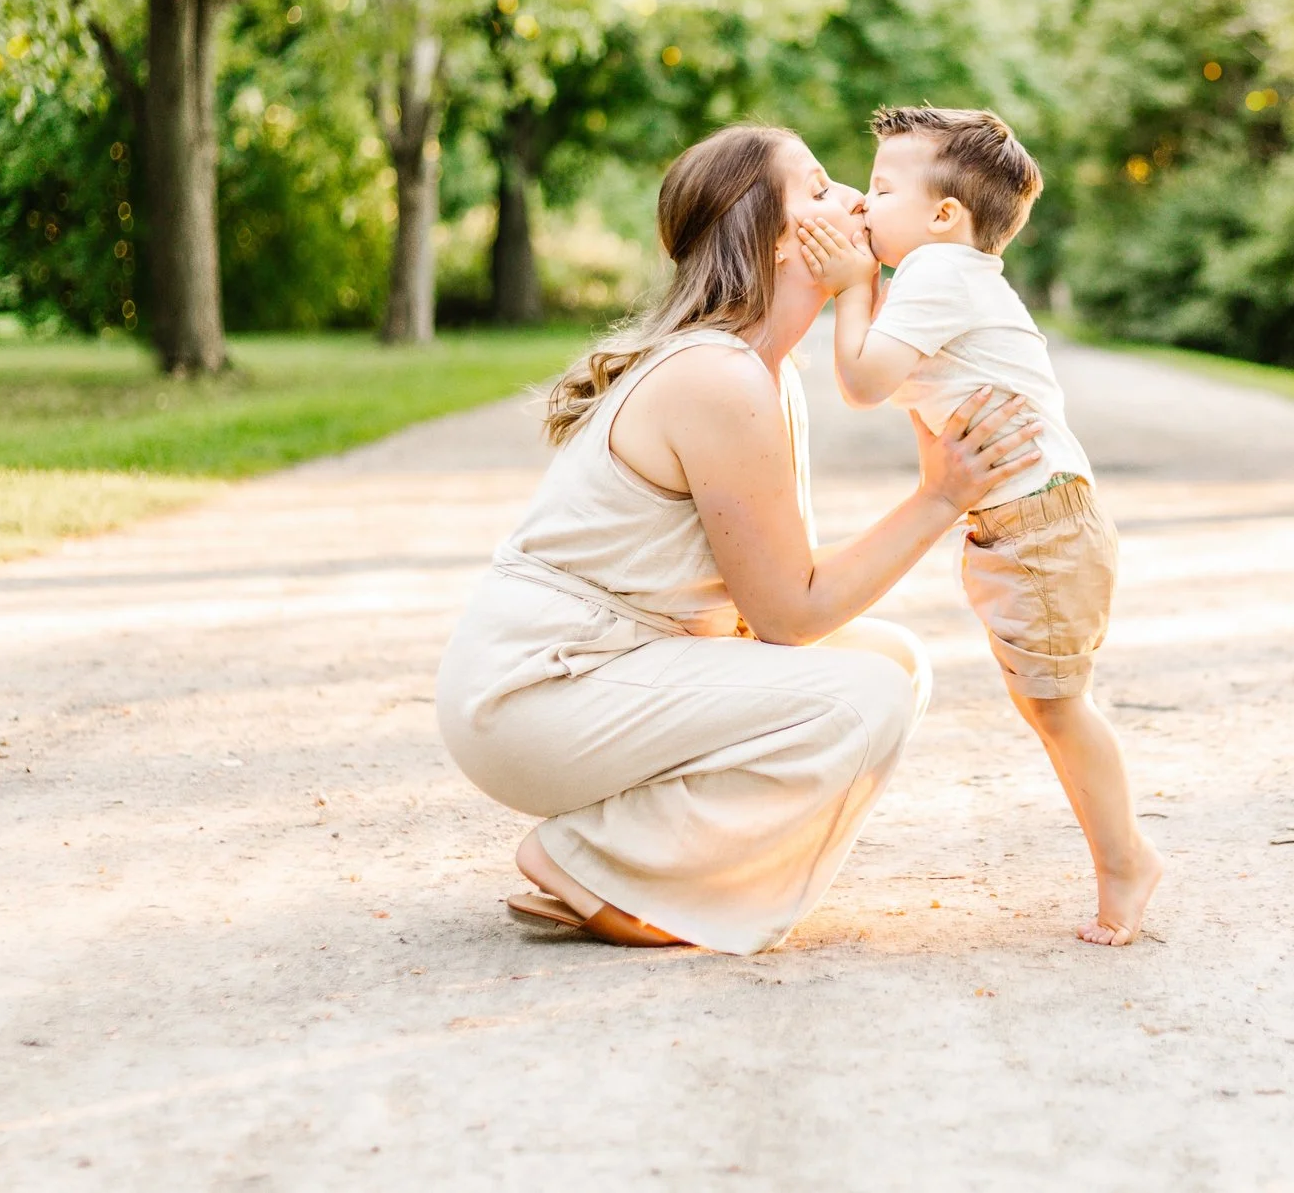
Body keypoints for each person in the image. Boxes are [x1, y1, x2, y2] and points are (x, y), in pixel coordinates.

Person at [436, 123, 1042, 953]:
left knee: (894, 661)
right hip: (536, 694)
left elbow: (784, 598)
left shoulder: (766, 374)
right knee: (858, 697)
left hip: (611, 668)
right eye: (822, 188)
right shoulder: (716, 376)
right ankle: (593, 861)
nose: (857, 201)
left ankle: (648, 867)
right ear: (779, 235)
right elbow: (793, 616)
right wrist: (941, 497)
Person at [796, 106, 1164, 946]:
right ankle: (1123, 856)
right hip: (1030, 523)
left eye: (881, 187)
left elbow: (863, 381)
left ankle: (1127, 860)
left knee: (1061, 707)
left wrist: (855, 285)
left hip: (1039, 526)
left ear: (943, 216)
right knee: (1050, 705)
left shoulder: (938, 274)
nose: (862, 205)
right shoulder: (944, 276)